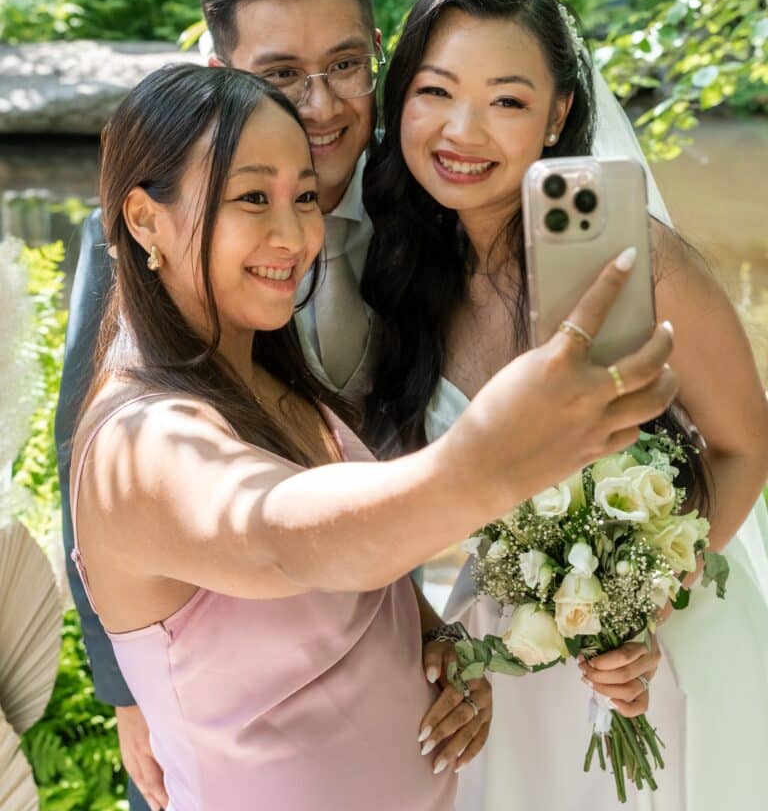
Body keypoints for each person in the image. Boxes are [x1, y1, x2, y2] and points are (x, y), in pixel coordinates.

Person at [69, 62, 676, 811]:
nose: (293, 235)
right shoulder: (141, 443)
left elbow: (366, 582)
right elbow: (287, 538)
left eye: (305, 197)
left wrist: (439, 647)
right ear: (143, 218)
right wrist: (492, 456)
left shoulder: (271, 379)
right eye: (253, 197)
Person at [361, 0, 768, 811]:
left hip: (666, 652)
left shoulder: (635, 258)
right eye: (436, 91)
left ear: (558, 115)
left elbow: (743, 443)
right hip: (509, 655)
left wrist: (647, 603)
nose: (462, 131)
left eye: (507, 102)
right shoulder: (398, 275)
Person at [55, 0, 383, 810]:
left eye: (345, 64)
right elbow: (85, 455)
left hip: (374, 641)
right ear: (220, 75)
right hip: (219, 683)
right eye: (280, 76)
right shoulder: (146, 238)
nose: (320, 105)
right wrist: (129, 692)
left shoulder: (426, 198)